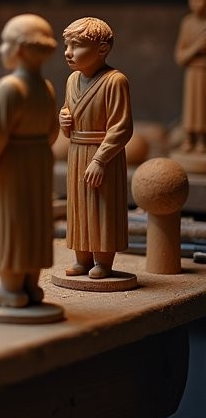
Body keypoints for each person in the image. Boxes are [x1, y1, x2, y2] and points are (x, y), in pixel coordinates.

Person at [0, 14, 59, 308]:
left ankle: (11, 290)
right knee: (34, 221)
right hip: (38, 159)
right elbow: (52, 130)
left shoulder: (11, 87)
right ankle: (31, 287)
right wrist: (38, 153)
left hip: (12, 161)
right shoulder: (45, 87)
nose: (1, 49)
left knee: (10, 221)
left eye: (4, 42)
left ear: (19, 49)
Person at [58, 17, 132, 279]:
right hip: (77, 152)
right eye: (67, 45)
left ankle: (103, 262)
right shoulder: (72, 80)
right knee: (78, 207)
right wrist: (64, 119)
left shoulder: (115, 81)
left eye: (76, 46)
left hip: (102, 156)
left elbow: (121, 127)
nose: (68, 52)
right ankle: (82, 258)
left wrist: (101, 160)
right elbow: (71, 111)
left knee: (102, 207)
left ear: (102, 49)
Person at [175, 0, 206, 153]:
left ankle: (202, 140)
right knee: (191, 106)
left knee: (203, 107)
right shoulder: (187, 23)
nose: (195, 4)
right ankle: (189, 138)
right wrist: (196, 48)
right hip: (192, 72)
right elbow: (180, 56)